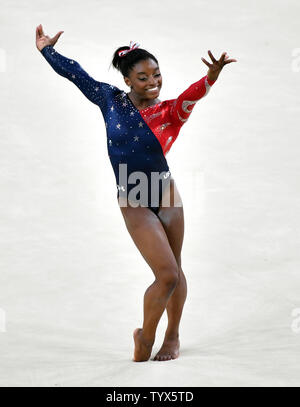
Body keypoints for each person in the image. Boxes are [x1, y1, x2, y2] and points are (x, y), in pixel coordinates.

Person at [35, 24, 237, 362]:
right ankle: (145, 336)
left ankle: (172, 336)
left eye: (157, 74)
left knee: (176, 270)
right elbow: (76, 75)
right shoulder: (110, 100)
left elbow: (191, 95)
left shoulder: (169, 112)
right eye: (143, 77)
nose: (153, 82)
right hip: (133, 199)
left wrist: (211, 77)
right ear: (128, 80)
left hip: (166, 195)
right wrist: (47, 50)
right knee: (167, 274)